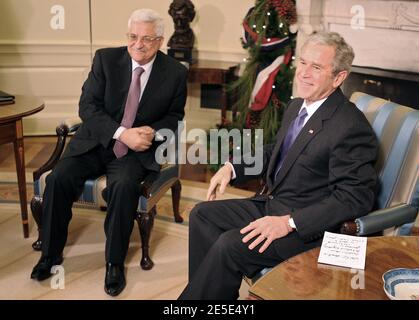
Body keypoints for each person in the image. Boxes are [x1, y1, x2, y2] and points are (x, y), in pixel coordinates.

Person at [178, 32, 378, 300]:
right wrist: (233, 167)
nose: (304, 74)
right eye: (303, 63)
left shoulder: (350, 126)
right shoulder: (297, 106)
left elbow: (355, 198)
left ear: (339, 77)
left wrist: (290, 223)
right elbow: (278, 151)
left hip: (309, 229)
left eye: (316, 68)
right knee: (202, 215)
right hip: (273, 204)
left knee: (229, 245)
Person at [30, 8, 188, 297]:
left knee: (124, 186)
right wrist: (120, 133)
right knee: (58, 178)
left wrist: (151, 132)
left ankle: (114, 262)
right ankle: (49, 255)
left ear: (160, 41)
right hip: (96, 141)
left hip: (136, 151)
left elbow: (175, 117)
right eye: (132, 37)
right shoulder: (106, 59)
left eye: (147, 39)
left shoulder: (175, 73)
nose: (138, 45)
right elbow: (88, 107)